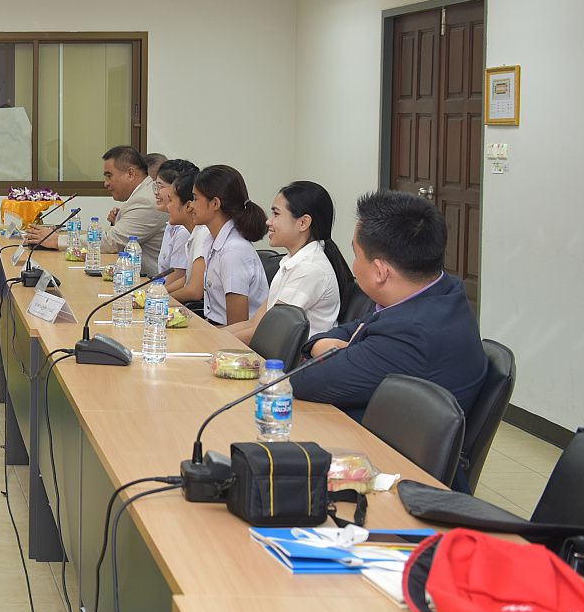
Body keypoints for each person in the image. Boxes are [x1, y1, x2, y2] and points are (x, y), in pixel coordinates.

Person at [294, 190, 488, 428]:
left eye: (356, 256)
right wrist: (322, 344)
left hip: (381, 447)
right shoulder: (444, 291)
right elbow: (353, 329)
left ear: (380, 271)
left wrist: (324, 347)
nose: (354, 265)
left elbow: (303, 380)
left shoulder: (410, 333)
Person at [226, 182, 351, 344]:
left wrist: (210, 340)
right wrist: (208, 335)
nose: (269, 222)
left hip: (294, 358)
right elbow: (254, 323)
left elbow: (266, 332)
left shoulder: (309, 269)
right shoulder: (293, 262)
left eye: (276, 214)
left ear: (303, 223)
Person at [189, 165, 268, 326]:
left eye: (196, 199)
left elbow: (236, 326)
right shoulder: (213, 240)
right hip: (217, 330)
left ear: (215, 203)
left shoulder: (233, 251)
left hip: (232, 337)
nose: (191, 205)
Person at [98, 146, 169, 276]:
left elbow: (112, 242)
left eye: (109, 176)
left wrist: (61, 241)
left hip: (150, 281)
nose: (106, 183)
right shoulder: (142, 194)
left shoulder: (146, 200)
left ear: (130, 174)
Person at [152, 160, 207, 314]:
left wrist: (161, 300)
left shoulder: (202, 234)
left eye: (171, 200)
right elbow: (186, 278)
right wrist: (158, 295)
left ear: (189, 206)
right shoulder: (194, 233)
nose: (168, 206)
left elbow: (194, 290)